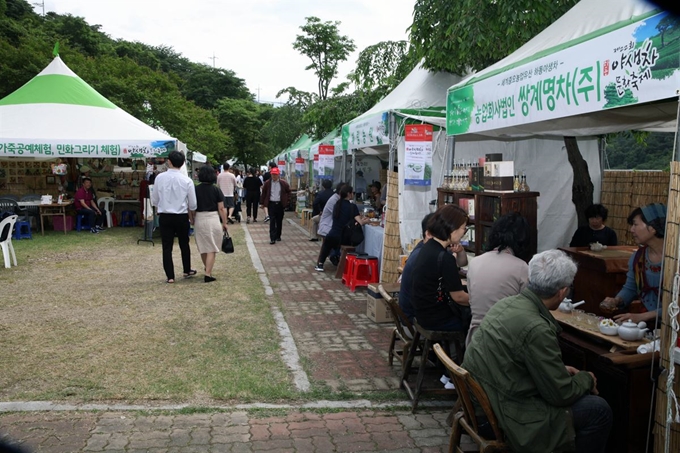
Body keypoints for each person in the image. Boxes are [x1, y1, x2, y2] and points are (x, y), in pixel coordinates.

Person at [463, 250, 612, 453]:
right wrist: (586, 379)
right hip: (501, 414)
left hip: (481, 402)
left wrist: (559, 371)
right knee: (598, 409)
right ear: (562, 292)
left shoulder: (506, 303)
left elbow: (518, 360)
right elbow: (561, 395)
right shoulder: (537, 327)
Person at [465, 212, 531, 345]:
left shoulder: (475, 262)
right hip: (502, 343)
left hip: (473, 340)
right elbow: (527, 311)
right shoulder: (521, 267)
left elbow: (472, 300)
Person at [600, 203, 666, 324]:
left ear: (652, 228)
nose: (632, 229)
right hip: (646, 324)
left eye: (635, 224)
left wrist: (644, 316)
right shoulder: (638, 257)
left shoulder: (675, 261)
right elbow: (631, 288)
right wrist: (616, 300)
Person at [410, 204, 470, 332]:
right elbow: (458, 297)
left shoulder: (428, 246)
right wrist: (483, 300)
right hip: (436, 319)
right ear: (452, 229)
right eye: (463, 228)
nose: (464, 232)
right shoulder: (444, 257)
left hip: (423, 313)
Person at [150, 151, 198, 284]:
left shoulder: (160, 178)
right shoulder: (187, 180)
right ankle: (186, 269)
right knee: (184, 243)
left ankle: (170, 276)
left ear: (169, 162)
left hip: (165, 215)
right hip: (181, 215)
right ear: (183, 163)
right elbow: (193, 203)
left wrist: (159, 206)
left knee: (167, 246)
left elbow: (154, 199)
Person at [314, 185, 368, 272]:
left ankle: (320, 264)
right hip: (345, 237)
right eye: (352, 192)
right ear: (349, 194)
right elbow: (360, 222)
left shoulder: (337, 204)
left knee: (327, 244)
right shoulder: (352, 206)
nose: (353, 194)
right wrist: (367, 221)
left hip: (333, 234)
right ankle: (336, 257)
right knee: (337, 243)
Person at [191, 165, 228, 283]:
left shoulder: (195, 189)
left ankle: (207, 268)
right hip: (213, 218)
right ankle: (208, 273)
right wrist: (225, 222)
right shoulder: (216, 189)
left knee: (203, 247)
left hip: (199, 218)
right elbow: (221, 208)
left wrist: (191, 218)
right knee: (212, 247)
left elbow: (190, 207)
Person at [260, 167, 291, 245]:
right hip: (271, 204)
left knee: (279, 221)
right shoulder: (267, 183)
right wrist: (262, 203)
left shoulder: (283, 183)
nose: (274, 176)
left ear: (278, 175)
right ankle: (272, 238)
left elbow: (288, 192)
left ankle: (278, 235)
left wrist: (287, 200)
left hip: (280, 204)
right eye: (273, 174)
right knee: (272, 221)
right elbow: (263, 193)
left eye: (275, 175)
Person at [317, 183, 345, 265]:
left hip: (331, 226)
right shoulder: (334, 200)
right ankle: (333, 255)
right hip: (327, 227)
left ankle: (334, 254)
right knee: (340, 237)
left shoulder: (338, 199)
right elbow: (338, 215)